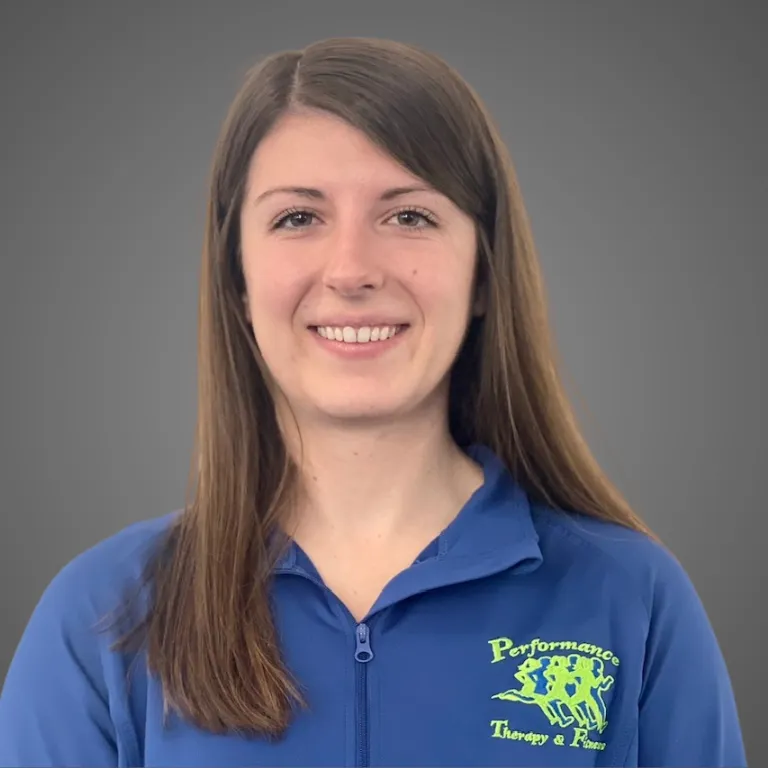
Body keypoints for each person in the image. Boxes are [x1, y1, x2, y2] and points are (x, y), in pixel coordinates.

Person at [0, 36, 746, 768]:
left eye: (409, 216)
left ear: (485, 273)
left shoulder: (630, 599)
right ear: (237, 281)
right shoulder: (104, 616)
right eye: (298, 217)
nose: (351, 269)